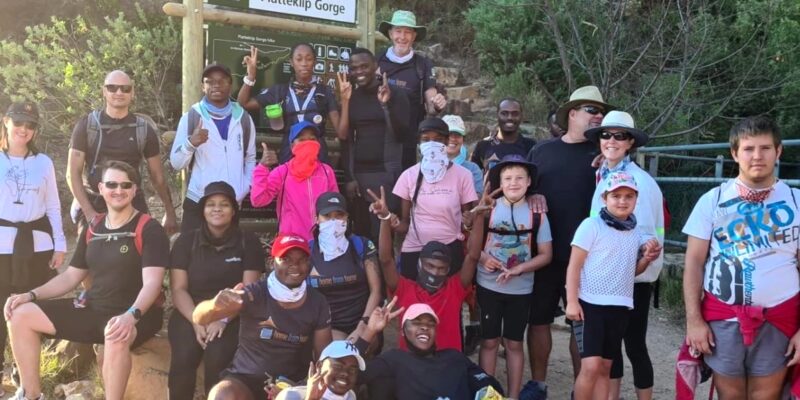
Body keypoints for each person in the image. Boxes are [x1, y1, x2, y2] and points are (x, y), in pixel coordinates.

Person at [5, 160, 169, 400]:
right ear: (101, 188)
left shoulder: (148, 228)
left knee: (115, 333)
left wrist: (130, 316)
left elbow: (153, 284)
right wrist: (31, 295)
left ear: (135, 190)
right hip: (94, 309)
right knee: (20, 314)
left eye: (126, 185)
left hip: (137, 314)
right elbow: (71, 276)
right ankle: (30, 394)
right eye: (112, 184)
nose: (119, 190)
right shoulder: (94, 228)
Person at [682, 116, 800, 400]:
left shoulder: (796, 200)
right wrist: (693, 321)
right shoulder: (713, 200)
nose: (757, 156)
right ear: (735, 153)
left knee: (767, 396)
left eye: (765, 148)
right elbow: (694, 264)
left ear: (778, 151)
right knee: (730, 396)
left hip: (780, 317)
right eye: (748, 149)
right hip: (723, 317)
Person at [523, 85, 613, 398]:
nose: (598, 115)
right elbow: (521, 188)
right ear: (572, 114)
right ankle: (538, 385)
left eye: (600, 111)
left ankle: (581, 390)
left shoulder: (605, 154)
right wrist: (531, 193)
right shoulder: (542, 151)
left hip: (589, 257)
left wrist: (611, 161)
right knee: (538, 321)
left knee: (582, 324)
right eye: (591, 109)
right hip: (545, 253)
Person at [194, 233, 332, 400]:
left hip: (292, 383)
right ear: (271, 262)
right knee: (222, 394)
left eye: (302, 260)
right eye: (286, 259)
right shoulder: (255, 293)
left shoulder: (317, 302)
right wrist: (214, 305)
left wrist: (298, 387)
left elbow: (323, 356)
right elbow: (199, 317)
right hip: (245, 379)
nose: (295, 266)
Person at [585, 111, 664, 400]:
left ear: (630, 142)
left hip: (632, 277)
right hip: (613, 276)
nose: (611, 140)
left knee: (633, 345)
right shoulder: (608, 174)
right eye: (606, 134)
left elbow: (641, 235)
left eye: (620, 136)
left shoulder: (637, 182)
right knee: (614, 345)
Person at [565, 171, 661, 400]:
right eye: (616, 195)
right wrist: (571, 301)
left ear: (636, 200)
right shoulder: (591, 226)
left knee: (606, 368)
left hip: (619, 308)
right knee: (590, 367)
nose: (622, 201)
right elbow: (574, 266)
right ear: (604, 198)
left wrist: (647, 259)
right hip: (590, 306)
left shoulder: (635, 232)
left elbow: (632, 271)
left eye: (629, 196)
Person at [168, 181, 265, 399]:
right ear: (203, 210)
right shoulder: (186, 241)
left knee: (218, 356)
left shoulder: (248, 242)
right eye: (211, 204)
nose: (217, 209)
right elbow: (178, 289)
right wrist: (197, 320)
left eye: (224, 204)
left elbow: (247, 292)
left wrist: (221, 319)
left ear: (233, 211)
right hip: (190, 311)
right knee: (183, 357)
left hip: (232, 315)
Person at [368, 182, 483, 352]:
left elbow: (473, 256)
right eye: (430, 265)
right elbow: (386, 260)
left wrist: (479, 216)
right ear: (419, 264)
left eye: (441, 268)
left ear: (448, 270)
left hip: (447, 365)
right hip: (412, 368)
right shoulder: (404, 289)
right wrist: (385, 220)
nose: (435, 272)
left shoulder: (454, 288)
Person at [0, 102, 67, 397]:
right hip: (2, 245)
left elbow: (53, 204)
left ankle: (27, 382)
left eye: (30, 125)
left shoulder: (44, 163)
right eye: (19, 123)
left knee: (25, 309)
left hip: (37, 245)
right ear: (6, 122)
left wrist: (60, 243)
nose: (23, 130)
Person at [475, 155, 553, 399]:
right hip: (487, 285)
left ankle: (513, 395)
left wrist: (521, 268)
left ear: (529, 181)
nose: (513, 183)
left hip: (520, 289)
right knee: (488, 341)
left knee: (514, 344)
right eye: (507, 178)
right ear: (499, 181)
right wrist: (483, 258)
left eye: (520, 177)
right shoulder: (488, 208)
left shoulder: (537, 213)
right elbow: (469, 243)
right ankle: (487, 394)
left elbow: (546, 254)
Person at [67, 70, 177, 234]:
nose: (119, 92)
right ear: (104, 91)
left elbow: (158, 177)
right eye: (112, 88)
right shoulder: (87, 126)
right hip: (95, 201)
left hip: (132, 202)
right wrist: (90, 214)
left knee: (139, 256)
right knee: (89, 257)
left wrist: (169, 211)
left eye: (125, 89)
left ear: (132, 93)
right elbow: (72, 174)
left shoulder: (144, 130)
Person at [353, 301, 505, 399]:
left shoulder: (454, 357)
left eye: (430, 324)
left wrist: (485, 390)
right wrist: (370, 331)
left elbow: (489, 385)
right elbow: (352, 374)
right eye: (416, 322)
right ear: (403, 331)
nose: (424, 327)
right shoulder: (394, 360)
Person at [170, 63, 257, 234]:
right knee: (192, 256)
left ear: (230, 85)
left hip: (230, 203)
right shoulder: (192, 117)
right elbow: (176, 163)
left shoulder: (243, 119)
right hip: (198, 201)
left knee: (226, 256)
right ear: (203, 86)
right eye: (210, 81)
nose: (216, 85)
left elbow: (250, 158)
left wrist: (243, 188)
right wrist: (191, 143)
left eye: (222, 81)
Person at [339, 47, 410, 244]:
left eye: (364, 66)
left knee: (384, 235)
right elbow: (346, 140)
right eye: (354, 68)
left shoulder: (394, 93)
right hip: (360, 176)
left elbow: (401, 133)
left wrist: (385, 105)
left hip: (386, 173)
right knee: (362, 235)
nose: (359, 72)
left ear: (375, 66)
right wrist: (350, 177)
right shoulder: (351, 96)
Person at [392, 117, 477, 279]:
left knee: (448, 301)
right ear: (419, 144)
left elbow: (467, 222)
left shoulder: (463, 176)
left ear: (446, 142)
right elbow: (404, 223)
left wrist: (472, 219)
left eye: (437, 140)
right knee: (415, 301)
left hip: (450, 249)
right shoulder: (408, 176)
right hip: (415, 248)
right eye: (426, 140)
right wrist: (388, 220)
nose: (431, 144)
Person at [237, 44, 346, 165]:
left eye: (309, 59)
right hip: (289, 156)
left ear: (314, 62)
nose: (304, 63)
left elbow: (342, 133)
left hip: (318, 157)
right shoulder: (280, 91)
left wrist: (345, 100)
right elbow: (243, 103)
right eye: (299, 59)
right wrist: (251, 76)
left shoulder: (325, 92)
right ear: (292, 62)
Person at [377, 10, 447, 170]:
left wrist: (437, 104)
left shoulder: (422, 65)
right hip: (380, 137)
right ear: (390, 33)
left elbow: (431, 104)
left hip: (408, 139)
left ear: (414, 36)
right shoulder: (377, 61)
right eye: (398, 31)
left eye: (407, 32)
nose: (402, 37)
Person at [307, 192, 382, 344]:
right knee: (338, 354)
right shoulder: (307, 251)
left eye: (339, 215)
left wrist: (363, 325)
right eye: (327, 216)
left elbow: (376, 291)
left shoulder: (362, 245)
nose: (333, 220)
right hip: (326, 327)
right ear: (316, 219)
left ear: (347, 217)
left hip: (363, 322)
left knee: (358, 349)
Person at [249, 121, 339, 241]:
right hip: (292, 241)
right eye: (301, 140)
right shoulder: (283, 172)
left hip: (323, 239)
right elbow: (258, 200)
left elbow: (335, 205)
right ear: (292, 147)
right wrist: (262, 168)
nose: (308, 143)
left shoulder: (326, 171)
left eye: (312, 139)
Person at [275, 340, 366, 400]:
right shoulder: (291, 396)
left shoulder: (350, 396)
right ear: (319, 366)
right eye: (338, 366)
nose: (345, 373)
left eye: (352, 370)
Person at [471, 98, 536, 171]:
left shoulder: (532, 146)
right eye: (504, 113)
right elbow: (474, 177)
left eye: (515, 114)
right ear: (497, 115)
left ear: (521, 116)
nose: (510, 117)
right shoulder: (483, 146)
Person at [443, 114, 484, 195]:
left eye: (457, 135)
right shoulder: (428, 166)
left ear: (463, 139)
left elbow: (476, 200)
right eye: (448, 135)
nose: (452, 138)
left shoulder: (473, 169)